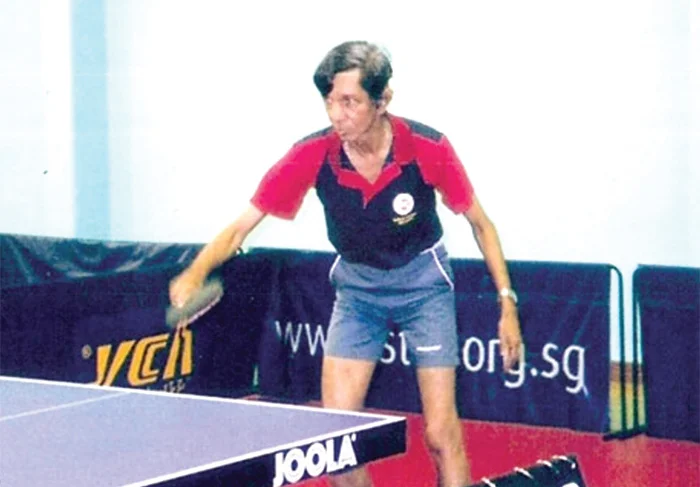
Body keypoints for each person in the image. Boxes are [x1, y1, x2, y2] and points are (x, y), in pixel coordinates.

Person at [170, 40, 522, 487]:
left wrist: (507, 305)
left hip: (423, 287)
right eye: (330, 101)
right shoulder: (312, 153)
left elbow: (482, 225)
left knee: (440, 434)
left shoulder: (428, 147)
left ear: (382, 100)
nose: (336, 114)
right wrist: (195, 273)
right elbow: (241, 227)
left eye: (350, 101)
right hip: (358, 293)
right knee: (334, 441)